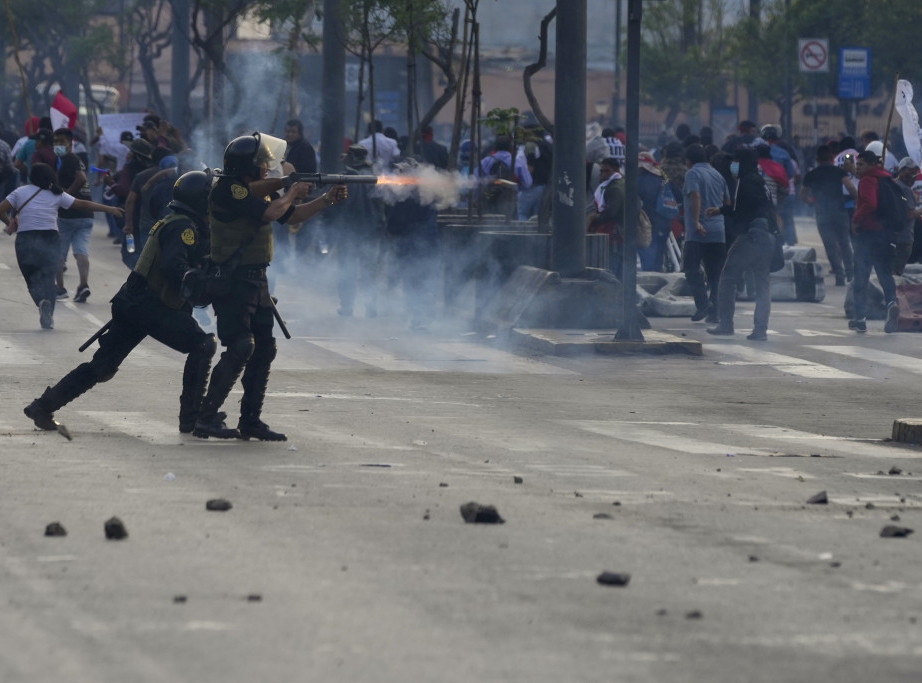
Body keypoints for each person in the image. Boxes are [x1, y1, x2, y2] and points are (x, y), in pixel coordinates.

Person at [22, 171, 218, 435]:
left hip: (133, 303)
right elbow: (176, 270)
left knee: (101, 367)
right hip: (150, 306)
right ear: (200, 201)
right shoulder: (183, 227)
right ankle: (192, 419)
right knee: (203, 345)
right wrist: (206, 286)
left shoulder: (177, 221)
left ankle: (42, 407)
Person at [192, 133, 348, 441]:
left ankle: (250, 419)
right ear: (248, 166)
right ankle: (206, 417)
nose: (268, 169)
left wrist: (326, 199)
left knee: (264, 348)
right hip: (232, 280)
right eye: (263, 164)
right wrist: (290, 188)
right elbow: (271, 212)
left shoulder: (254, 191)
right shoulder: (227, 190)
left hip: (256, 280)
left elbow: (291, 215)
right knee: (240, 346)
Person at [0, 163, 123, 330]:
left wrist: (11, 225)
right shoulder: (56, 194)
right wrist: (110, 209)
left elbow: (1, 209)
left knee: (31, 276)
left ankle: (41, 302)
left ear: (31, 177)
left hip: (26, 238)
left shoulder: (20, 192)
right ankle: (48, 310)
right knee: (49, 277)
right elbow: (83, 204)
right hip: (50, 237)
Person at [705, 147, 778, 341]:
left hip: (752, 236)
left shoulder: (747, 182)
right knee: (762, 285)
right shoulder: (760, 181)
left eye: (736, 161)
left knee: (728, 277)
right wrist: (721, 210)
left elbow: (742, 213)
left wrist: (722, 211)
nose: (733, 165)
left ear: (743, 162)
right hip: (767, 237)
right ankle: (760, 330)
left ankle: (726, 324)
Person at [329, 144, 386, 318]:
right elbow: (382, 205)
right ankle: (370, 307)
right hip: (369, 230)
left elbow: (334, 204)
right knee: (368, 272)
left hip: (350, 230)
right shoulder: (374, 177)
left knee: (348, 271)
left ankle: (347, 307)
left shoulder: (343, 177)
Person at [384, 156, 440, 330]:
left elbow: (396, 223)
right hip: (422, 245)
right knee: (418, 281)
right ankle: (420, 317)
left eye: (401, 171)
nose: (397, 174)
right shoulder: (422, 191)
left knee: (414, 282)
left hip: (413, 245)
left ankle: (419, 317)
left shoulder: (408, 195)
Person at [850, 149, 897, 333]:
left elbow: (870, 203)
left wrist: (856, 219)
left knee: (860, 276)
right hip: (886, 234)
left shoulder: (867, 180)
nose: (857, 168)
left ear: (870, 165)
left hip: (868, 234)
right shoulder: (887, 178)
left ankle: (860, 318)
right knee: (885, 274)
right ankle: (892, 303)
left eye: (860, 164)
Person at [683, 143, 729, 323]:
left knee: (691, 268)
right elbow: (726, 201)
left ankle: (703, 304)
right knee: (715, 274)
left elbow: (695, 195)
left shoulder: (692, 173)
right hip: (718, 231)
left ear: (688, 160)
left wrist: (695, 221)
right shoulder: (717, 174)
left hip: (698, 232)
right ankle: (715, 312)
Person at [800, 144, 857, 285]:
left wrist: (810, 201)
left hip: (822, 214)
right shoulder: (838, 172)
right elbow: (850, 186)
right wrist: (858, 200)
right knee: (844, 243)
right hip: (840, 212)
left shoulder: (812, 174)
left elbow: (802, 194)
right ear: (832, 158)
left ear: (817, 159)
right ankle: (850, 274)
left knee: (830, 245)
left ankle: (839, 275)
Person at [52, 128, 95, 303]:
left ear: (70, 143)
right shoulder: (74, 159)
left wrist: (66, 197)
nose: (57, 145)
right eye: (55, 141)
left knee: (58, 252)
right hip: (86, 214)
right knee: (80, 251)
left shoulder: (69, 159)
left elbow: (82, 178)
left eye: (61, 141)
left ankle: (60, 288)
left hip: (69, 214)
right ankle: (83, 285)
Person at [587, 157, 625, 277]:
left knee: (611, 272)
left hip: (614, 234)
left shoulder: (615, 188)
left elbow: (610, 213)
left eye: (607, 171)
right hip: (618, 234)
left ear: (616, 170)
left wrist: (594, 218)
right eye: (601, 171)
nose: (603, 174)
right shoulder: (615, 184)